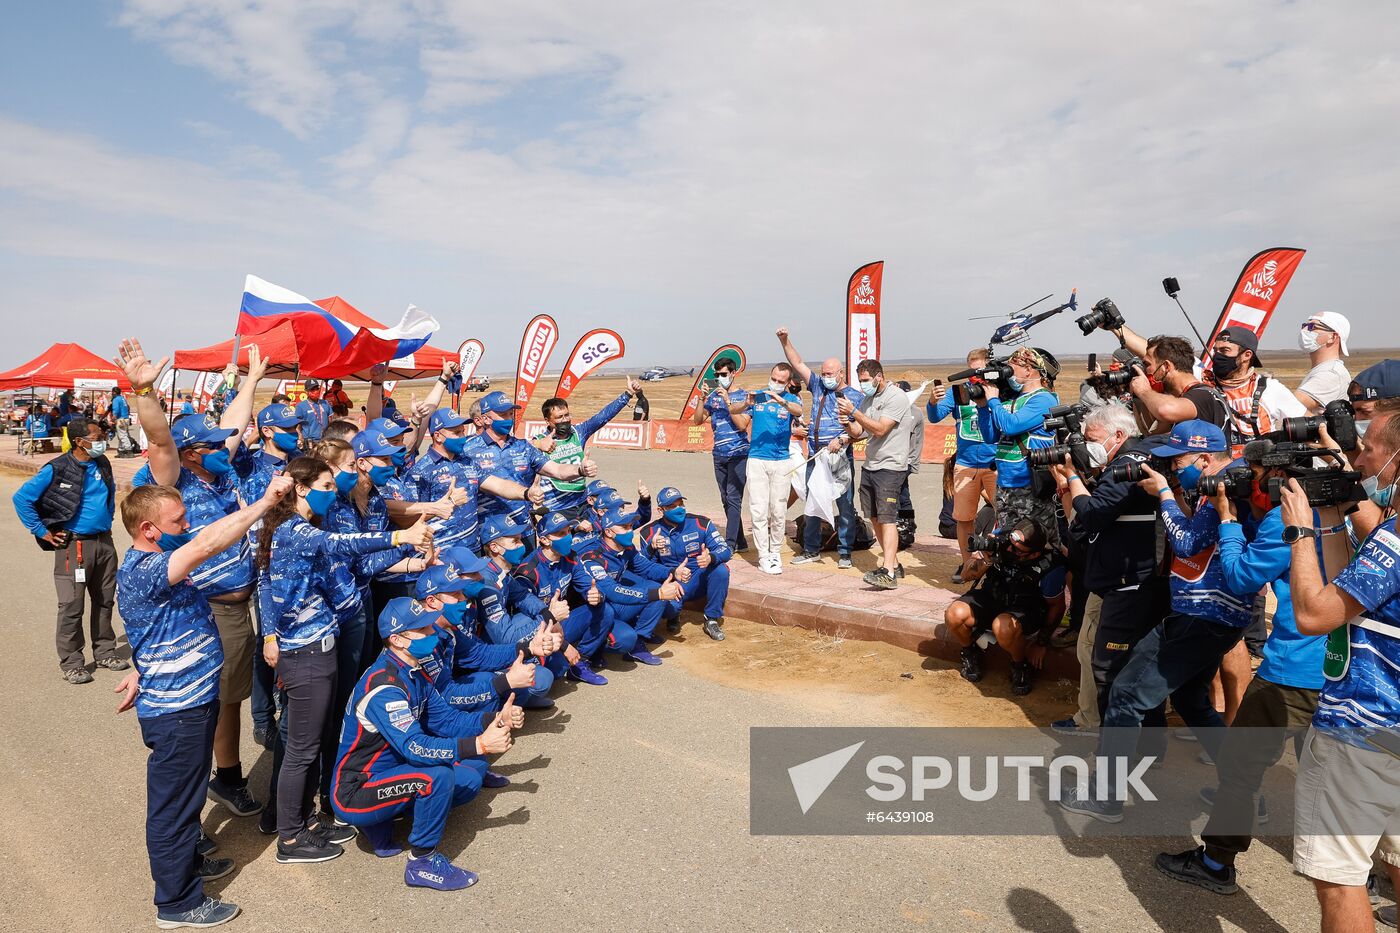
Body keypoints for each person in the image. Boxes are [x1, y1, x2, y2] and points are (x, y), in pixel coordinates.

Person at [1154, 439, 1349, 895]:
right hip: (1347, 667)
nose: (1249, 483)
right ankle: (1372, 869)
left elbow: (1242, 576)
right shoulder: (1346, 506)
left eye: (1254, 474)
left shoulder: (1286, 520)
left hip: (1295, 668)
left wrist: (1226, 518)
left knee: (1240, 765)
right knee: (1338, 773)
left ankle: (1216, 862)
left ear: (1277, 479)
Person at [114, 472, 294, 929]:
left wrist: (142, 667)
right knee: (173, 809)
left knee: (187, 798)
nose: (187, 524)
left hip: (190, 700)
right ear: (147, 529)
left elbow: (153, 626)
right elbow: (212, 541)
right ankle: (177, 904)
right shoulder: (147, 568)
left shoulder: (166, 551)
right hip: (177, 712)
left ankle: (188, 866)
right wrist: (267, 500)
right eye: (178, 519)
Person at [1060, 420, 1256, 823]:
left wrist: (1165, 494)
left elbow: (1185, 542)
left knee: (1125, 695)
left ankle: (1106, 796)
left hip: (1201, 619)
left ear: (1204, 458)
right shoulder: (1212, 489)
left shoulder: (1220, 491)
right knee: (1189, 700)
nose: (1171, 468)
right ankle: (1245, 792)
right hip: (1214, 618)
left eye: (1178, 460)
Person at [122, 337, 270, 818]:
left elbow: (234, 423)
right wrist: (145, 392)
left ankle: (224, 775)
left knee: (229, 699)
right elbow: (161, 440)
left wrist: (249, 381)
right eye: (208, 445)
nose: (223, 445)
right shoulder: (175, 480)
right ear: (189, 455)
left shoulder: (218, 473)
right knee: (213, 704)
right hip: (212, 610)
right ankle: (220, 779)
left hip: (239, 606)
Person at [257, 456, 431, 865]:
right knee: (302, 748)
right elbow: (342, 545)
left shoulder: (296, 528)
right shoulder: (296, 531)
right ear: (301, 489)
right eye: (325, 485)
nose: (332, 493)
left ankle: (310, 819)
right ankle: (291, 837)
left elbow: (268, 580)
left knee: (313, 740)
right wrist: (399, 537)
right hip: (306, 651)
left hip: (314, 644)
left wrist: (268, 632)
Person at [1281, 412, 1400, 931]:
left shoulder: (1395, 540)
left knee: (1339, 877)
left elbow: (1313, 614)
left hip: (1364, 729)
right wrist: (1332, 515)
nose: (1359, 459)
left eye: (1370, 448)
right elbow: (1348, 591)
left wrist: (1300, 530)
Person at [331, 596, 517, 891]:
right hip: (356, 790)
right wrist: (479, 745)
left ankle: (382, 824)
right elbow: (414, 747)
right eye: (424, 631)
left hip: (390, 771)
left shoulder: (413, 670)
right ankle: (422, 863)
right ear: (397, 640)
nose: (433, 635)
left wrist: (495, 718)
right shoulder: (384, 686)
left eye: (431, 628)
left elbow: (446, 721)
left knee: (469, 776)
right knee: (439, 777)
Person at [1048, 403, 1168, 732]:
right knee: (1139, 664)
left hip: (1124, 584)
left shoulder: (1127, 465)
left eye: (1092, 438)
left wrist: (1072, 477)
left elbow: (1093, 514)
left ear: (1118, 434)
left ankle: (1108, 743)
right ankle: (1147, 745)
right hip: (1127, 579)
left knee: (1107, 667)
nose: (1087, 446)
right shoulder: (1136, 457)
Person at [12, 414, 124, 683]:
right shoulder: (57, 468)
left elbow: (108, 495)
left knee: (105, 600)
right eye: (97, 438)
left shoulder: (102, 463)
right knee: (72, 605)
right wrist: (42, 531)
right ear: (79, 441)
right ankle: (72, 662)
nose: (102, 442)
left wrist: (106, 522)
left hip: (103, 543)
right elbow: (22, 498)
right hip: (74, 547)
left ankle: (105, 651)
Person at [945, 511, 1064, 695]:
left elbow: (1057, 606)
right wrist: (987, 558)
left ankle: (1019, 664)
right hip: (993, 596)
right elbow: (965, 575)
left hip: (1025, 607)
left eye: (1018, 550)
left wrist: (1041, 643)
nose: (1010, 550)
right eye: (1011, 544)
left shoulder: (1049, 565)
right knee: (954, 614)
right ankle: (970, 652)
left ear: (1034, 554)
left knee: (1003, 627)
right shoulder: (1001, 542)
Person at [776, 327, 865, 569]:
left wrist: (844, 440)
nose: (825, 376)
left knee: (845, 503)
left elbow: (860, 431)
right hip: (814, 456)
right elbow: (797, 362)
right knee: (812, 503)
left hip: (839, 457)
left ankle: (845, 552)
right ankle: (811, 549)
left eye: (830, 373)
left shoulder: (854, 396)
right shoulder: (817, 386)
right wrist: (785, 340)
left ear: (841, 373)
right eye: (824, 372)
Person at [463, 391, 598, 545]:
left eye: (510, 414)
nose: (509, 419)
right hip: (489, 534)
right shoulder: (468, 450)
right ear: (486, 419)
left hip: (523, 530)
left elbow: (557, 470)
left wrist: (579, 470)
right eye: (503, 415)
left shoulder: (523, 447)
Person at [571, 508, 685, 664]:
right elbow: (612, 591)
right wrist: (657, 593)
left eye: (631, 526)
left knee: (655, 587)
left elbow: (646, 567)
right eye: (624, 527)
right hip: (595, 611)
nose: (630, 531)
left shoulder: (627, 548)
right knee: (625, 639)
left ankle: (639, 643)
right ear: (609, 532)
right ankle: (594, 648)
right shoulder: (592, 555)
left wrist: (673, 572)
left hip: (614, 605)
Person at [512, 512, 613, 685]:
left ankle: (581, 662)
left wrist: (597, 594)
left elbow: (587, 584)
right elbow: (525, 621)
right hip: (538, 631)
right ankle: (565, 657)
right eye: (560, 534)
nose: (567, 537)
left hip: (561, 623)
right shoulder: (528, 572)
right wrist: (565, 646)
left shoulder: (571, 557)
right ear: (544, 540)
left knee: (605, 610)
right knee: (556, 670)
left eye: (568, 531)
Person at [839, 360, 914, 590]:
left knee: (887, 518)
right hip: (871, 465)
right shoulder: (868, 399)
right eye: (860, 380)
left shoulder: (896, 397)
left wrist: (853, 412)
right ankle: (895, 563)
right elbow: (861, 431)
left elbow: (881, 429)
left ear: (878, 377)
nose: (863, 385)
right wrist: (847, 424)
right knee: (873, 516)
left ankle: (888, 572)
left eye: (865, 380)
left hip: (890, 466)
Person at [929, 351, 999, 582]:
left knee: (1005, 514)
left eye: (979, 371)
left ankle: (998, 562)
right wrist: (932, 401)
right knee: (963, 518)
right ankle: (966, 563)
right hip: (965, 464)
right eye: (970, 371)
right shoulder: (958, 391)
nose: (974, 376)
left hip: (994, 463)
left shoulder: (997, 390)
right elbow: (936, 416)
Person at [731, 363, 802, 575]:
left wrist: (781, 400)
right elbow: (734, 411)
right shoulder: (759, 396)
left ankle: (775, 552)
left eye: (781, 381)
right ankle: (763, 555)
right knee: (758, 509)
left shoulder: (790, 399)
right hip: (757, 460)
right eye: (774, 379)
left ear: (788, 382)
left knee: (778, 510)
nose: (776, 383)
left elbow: (798, 410)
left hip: (781, 460)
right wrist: (745, 402)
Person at [639, 486, 734, 641]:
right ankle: (673, 615)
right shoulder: (649, 533)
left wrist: (711, 557)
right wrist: (651, 548)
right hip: (672, 582)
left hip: (697, 578)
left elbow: (725, 549)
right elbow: (642, 567)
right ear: (660, 510)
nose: (679, 509)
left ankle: (711, 619)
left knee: (721, 570)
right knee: (669, 608)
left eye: (680, 504)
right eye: (672, 506)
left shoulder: (700, 523)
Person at [534, 380, 638, 516]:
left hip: (581, 501)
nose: (565, 420)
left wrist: (628, 394)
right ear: (548, 421)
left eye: (567, 415)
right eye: (559, 417)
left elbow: (602, 417)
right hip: (556, 507)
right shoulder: (540, 441)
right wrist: (538, 445)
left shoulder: (578, 432)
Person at [692, 356, 750, 554]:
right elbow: (697, 421)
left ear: (733, 374)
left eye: (723, 374)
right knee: (726, 498)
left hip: (739, 453)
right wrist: (701, 399)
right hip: (719, 454)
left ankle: (730, 543)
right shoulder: (713, 397)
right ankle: (740, 540)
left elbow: (742, 424)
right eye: (717, 375)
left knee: (734, 497)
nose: (720, 378)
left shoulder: (743, 396)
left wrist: (727, 400)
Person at [1127, 334, 1231, 432]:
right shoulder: (1183, 398)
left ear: (1166, 366)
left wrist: (1144, 391)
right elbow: (1150, 431)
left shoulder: (1203, 395)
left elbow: (1164, 410)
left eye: (1147, 364)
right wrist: (1138, 397)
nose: (1145, 370)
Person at [1293, 312, 1352, 411]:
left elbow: (1289, 404)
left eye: (1312, 327)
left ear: (1332, 337)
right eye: (1305, 325)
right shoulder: (1323, 370)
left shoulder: (1331, 374)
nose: (1304, 330)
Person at [111, 386, 137, 457]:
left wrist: (113, 418)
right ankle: (121, 450)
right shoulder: (123, 398)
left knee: (123, 435)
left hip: (121, 419)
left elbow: (116, 410)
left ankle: (129, 450)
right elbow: (128, 407)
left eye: (112, 392)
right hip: (126, 418)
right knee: (121, 435)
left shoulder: (116, 399)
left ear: (114, 392)